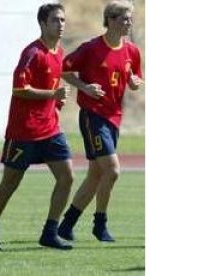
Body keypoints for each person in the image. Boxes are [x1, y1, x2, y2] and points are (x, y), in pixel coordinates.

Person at [0, 3, 74, 251]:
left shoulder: (59, 52)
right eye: (55, 20)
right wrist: (53, 93)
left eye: (63, 20)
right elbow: (19, 89)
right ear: (43, 23)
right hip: (24, 131)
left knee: (67, 176)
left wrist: (57, 99)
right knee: (10, 183)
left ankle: (49, 232)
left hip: (51, 129)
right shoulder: (32, 53)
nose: (61, 24)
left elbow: (51, 90)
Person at [58, 0, 143, 242]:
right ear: (111, 20)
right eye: (124, 19)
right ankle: (100, 224)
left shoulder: (132, 51)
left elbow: (134, 78)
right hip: (93, 115)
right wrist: (84, 87)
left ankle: (67, 224)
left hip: (114, 118)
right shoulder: (91, 48)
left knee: (96, 175)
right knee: (112, 170)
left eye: (130, 19)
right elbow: (62, 70)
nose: (128, 23)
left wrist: (135, 82)